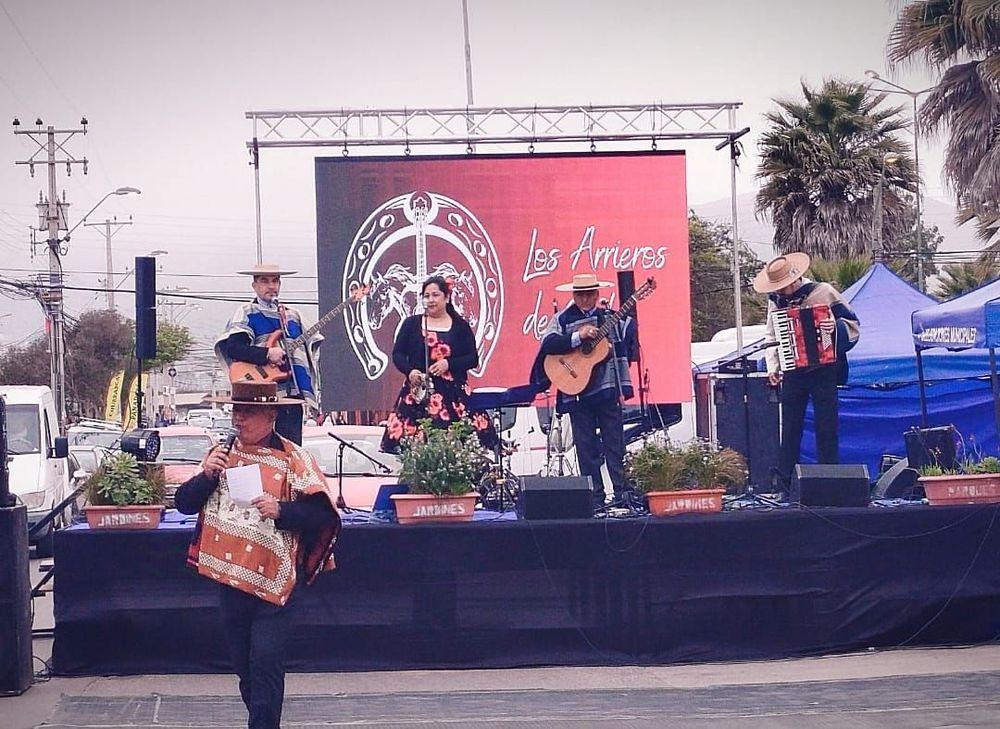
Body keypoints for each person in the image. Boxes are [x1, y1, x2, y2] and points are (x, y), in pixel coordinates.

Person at [174, 380, 340, 729]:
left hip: (275, 584)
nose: (238, 420)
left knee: (266, 664)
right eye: (235, 411)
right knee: (245, 669)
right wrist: (205, 476)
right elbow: (184, 504)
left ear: (271, 415)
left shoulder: (295, 459)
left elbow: (324, 516)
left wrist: (282, 510)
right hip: (231, 579)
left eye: (247, 413)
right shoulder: (220, 455)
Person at [753, 253, 860, 491]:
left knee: (827, 425)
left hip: (824, 369)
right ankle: (784, 483)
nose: (780, 292)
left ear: (794, 279)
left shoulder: (823, 292)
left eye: (782, 287)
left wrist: (834, 327)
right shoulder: (775, 302)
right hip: (793, 370)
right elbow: (772, 336)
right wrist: (774, 367)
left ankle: (831, 482)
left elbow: (853, 325)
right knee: (790, 426)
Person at [532, 272, 639, 509]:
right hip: (576, 391)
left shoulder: (607, 316)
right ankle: (596, 498)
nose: (585, 299)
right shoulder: (562, 319)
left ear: (597, 294)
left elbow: (628, 338)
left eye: (590, 294)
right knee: (585, 446)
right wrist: (577, 337)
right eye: (581, 295)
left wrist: (623, 325)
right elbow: (548, 345)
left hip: (608, 387)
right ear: (574, 295)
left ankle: (623, 494)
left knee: (615, 442)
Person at [380, 275, 498, 453]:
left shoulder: (460, 326)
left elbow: (472, 358)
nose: (430, 300)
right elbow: (398, 354)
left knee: (459, 444)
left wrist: (448, 364)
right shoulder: (411, 324)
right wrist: (410, 371)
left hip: (453, 394)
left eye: (435, 295)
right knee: (416, 446)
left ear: (446, 297)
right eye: (426, 296)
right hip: (419, 393)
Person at [214, 263, 322, 445]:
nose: (271, 286)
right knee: (256, 446)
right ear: (254, 285)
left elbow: (308, 352)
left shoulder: (293, 316)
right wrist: (266, 354)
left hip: (291, 397)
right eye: (264, 281)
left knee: (290, 450)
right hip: (260, 395)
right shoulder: (247, 312)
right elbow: (234, 348)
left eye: (275, 281)